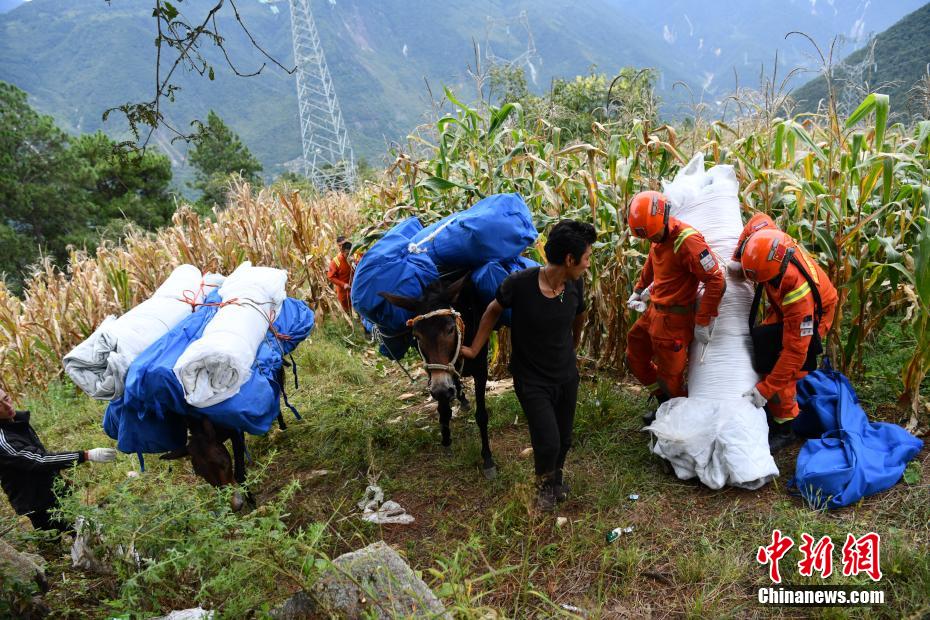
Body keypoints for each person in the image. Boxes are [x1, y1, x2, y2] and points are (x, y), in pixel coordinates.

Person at [460, 220, 595, 513]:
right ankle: (542, 487)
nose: (588, 264)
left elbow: (579, 315)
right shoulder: (520, 284)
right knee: (548, 440)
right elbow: (492, 310)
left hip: (565, 376)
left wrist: (574, 344)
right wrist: (474, 348)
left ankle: (556, 481)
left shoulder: (573, 284)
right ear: (569, 259)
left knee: (565, 438)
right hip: (532, 379)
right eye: (586, 258)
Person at [625, 191, 726, 424]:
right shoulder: (657, 235)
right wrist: (639, 290)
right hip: (653, 312)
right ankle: (664, 404)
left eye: (653, 235)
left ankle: (680, 418)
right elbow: (652, 259)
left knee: (669, 379)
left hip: (674, 322)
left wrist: (702, 321)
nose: (652, 239)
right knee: (633, 357)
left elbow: (716, 280)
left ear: (664, 218)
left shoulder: (688, 242)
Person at [738, 229, 838, 453]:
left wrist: (766, 389)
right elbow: (756, 222)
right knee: (766, 344)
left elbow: (794, 352)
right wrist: (738, 259)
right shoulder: (770, 240)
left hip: (815, 313)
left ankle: (785, 428)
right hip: (783, 307)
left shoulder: (799, 297)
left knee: (784, 371)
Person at [0, 388, 116, 533]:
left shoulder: (17, 422)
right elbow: (40, 459)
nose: (7, 406)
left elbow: (39, 455)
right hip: (36, 502)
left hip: (53, 490)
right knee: (57, 538)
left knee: (85, 529)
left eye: (6, 398)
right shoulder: (3, 440)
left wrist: (59, 479)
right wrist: (86, 455)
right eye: (0, 405)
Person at [327, 236, 354, 314]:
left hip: (356, 287)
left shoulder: (355, 254)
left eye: (344, 244)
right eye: (340, 245)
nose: (342, 247)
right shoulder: (336, 261)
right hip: (344, 292)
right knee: (348, 312)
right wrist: (343, 284)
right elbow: (331, 277)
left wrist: (354, 262)